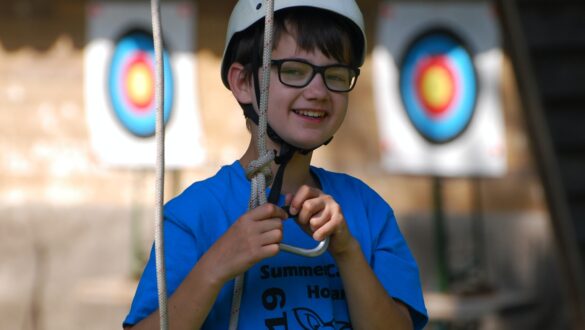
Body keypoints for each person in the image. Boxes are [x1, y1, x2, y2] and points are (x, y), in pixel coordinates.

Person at [123, 1, 428, 329]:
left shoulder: (367, 211)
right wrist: (214, 268)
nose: (319, 91)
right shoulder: (192, 217)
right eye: (294, 71)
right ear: (242, 82)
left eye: (336, 75)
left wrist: (347, 252)